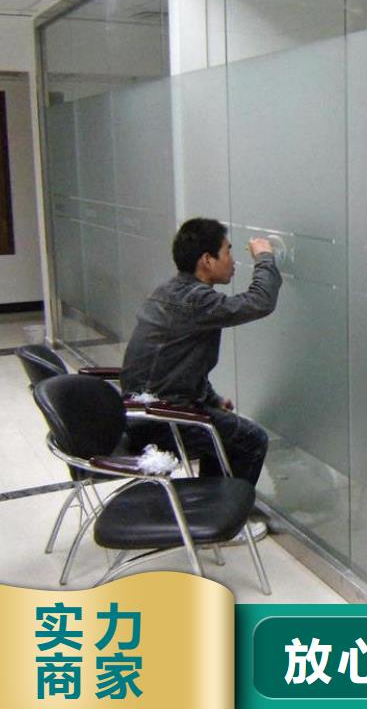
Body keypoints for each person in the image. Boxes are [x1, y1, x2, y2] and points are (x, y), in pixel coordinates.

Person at [121, 217, 282, 539]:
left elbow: (176, 364)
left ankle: (209, 510)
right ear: (207, 260)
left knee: (226, 431)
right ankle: (222, 523)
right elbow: (259, 302)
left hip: (145, 410)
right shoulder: (196, 300)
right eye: (228, 252)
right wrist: (265, 257)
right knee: (251, 440)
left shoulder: (171, 291)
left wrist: (210, 399)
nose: (233, 260)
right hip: (160, 419)